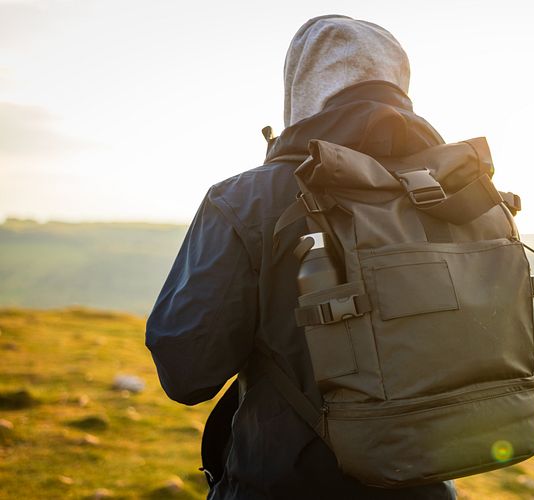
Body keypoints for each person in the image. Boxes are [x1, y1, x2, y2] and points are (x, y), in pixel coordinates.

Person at [146, 15, 457, 499]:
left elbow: (186, 372)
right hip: (426, 484)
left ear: (300, 87)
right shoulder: (451, 193)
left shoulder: (250, 199)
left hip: (281, 485)